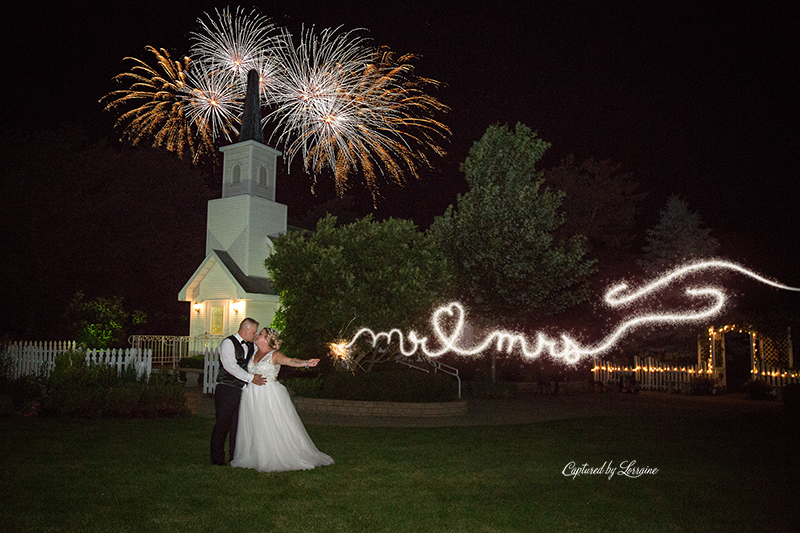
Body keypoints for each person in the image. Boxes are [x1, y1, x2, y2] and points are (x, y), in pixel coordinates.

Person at [231, 328, 334, 472]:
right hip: (252, 394)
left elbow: (290, 361)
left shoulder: (275, 355)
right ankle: (254, 455)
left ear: (267, 339)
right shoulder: (254, 351)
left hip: (268, 395)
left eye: (260, 334)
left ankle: (271, 456)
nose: (257, 335)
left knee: (268, 425)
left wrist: (305, 363)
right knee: (254, 424)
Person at [210, 317, 267, 466]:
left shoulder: (251, 346)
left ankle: (235, 456)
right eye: (254, 332)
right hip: (227, 388)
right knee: (223, 423)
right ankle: (217, 458)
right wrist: (250, 378)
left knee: (238, 424)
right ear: (245, 329)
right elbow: (230, 366)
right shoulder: (228, 343)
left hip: (243, 391)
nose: (255, 335)